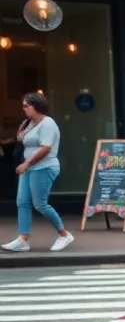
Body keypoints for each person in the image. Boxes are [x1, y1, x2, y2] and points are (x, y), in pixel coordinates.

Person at [2, 93, 73, 252]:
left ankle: (64, 234)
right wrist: (21, 131)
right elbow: (23, 141)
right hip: (29, 168)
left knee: (40, 204)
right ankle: (23, 239)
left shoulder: (48, 123)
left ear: (37, 106)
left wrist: (26, 164)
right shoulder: (31, 123)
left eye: (27, 106)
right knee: (22, 202)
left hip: (44, 167)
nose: (23, 109)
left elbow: (45, 148)